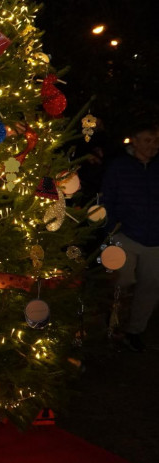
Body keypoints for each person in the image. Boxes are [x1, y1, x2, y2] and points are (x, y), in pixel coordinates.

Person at [101, 117, 159, 352]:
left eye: (156, 141)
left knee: (151, 287)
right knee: (121, 282)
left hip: (155, 239)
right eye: (147, 140)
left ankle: (135, 331)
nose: (153, 145)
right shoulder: (119, 167)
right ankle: (111, 327)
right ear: (134, 141)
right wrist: (110, 228)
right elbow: (107, 199)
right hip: (125, 234)